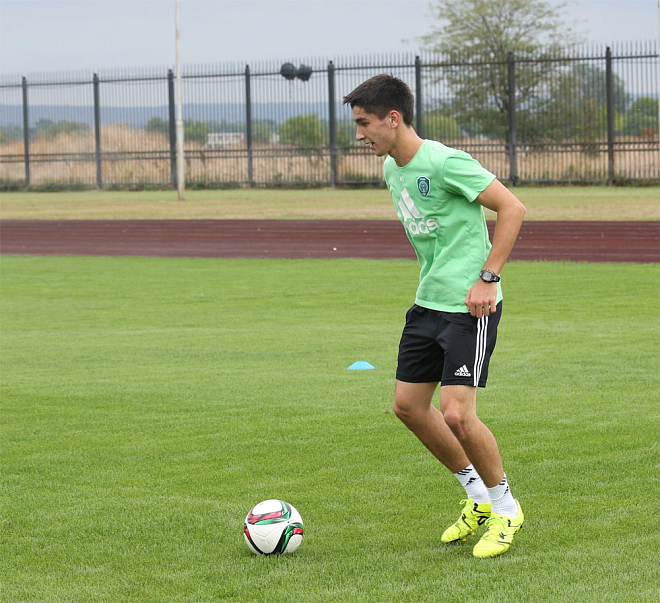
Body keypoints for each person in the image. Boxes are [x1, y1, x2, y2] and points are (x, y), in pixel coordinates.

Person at [343, 74, 527, 558]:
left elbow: (512, 208)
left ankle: (506, 509)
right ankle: (477, 497)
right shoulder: (392, 169)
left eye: (364, 124)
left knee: (458, 415)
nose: (359, 135)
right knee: (407, 407)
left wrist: (487, 278)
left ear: (393, 118)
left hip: (471, 307)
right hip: (428, 303)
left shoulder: (446, 162)